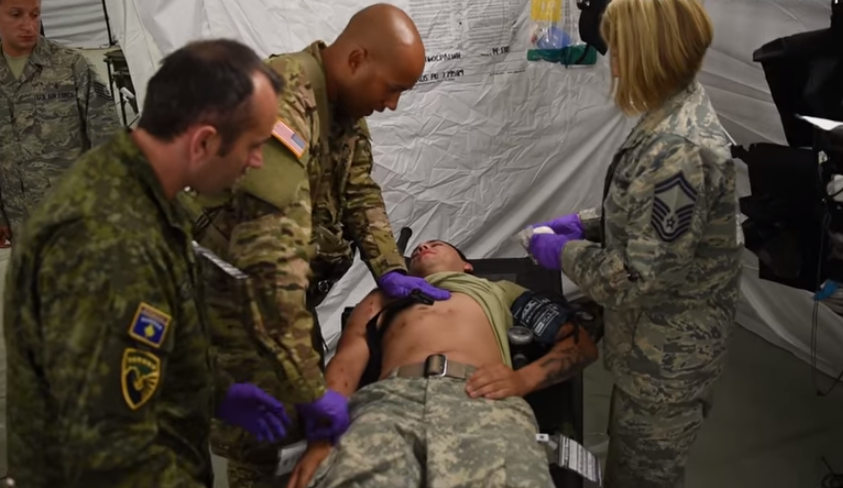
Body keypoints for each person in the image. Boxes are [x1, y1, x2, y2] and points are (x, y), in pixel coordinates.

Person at [4, 39, 294, 488]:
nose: (257, 161)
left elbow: (145, 350)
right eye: (253, 145)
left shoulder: (144, 188)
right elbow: (108, 451)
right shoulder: (106, 241)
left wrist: (215, 392)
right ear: (204, 141)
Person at [185, 4, 451, 486]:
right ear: (357, 59)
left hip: (280, 298)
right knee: (254, 438)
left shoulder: (345, 111)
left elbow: (358, 191)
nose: (393, 104)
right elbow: (272, 257)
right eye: (392, 88)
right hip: (232, 300)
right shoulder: (277, 100)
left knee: (287, 426)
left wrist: (390, 268)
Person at [526, 0, 742, 486]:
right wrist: (587, 224)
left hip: (666, 363)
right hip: (651, 349)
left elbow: (637, 278)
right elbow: (649, 216)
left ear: (651, 51)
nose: (614, 62)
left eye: (620, 48)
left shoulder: (678, 148)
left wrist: (564, 252)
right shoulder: (673, 112)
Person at [287, 239, 599, 488]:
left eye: (436, 244)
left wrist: (523, 380)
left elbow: (580, 345)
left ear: (467, 265)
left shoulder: (501, 290)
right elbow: (346, 361)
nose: (423, 246)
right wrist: (321, 440)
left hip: (483, 401)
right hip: (386, 404)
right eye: (418, 248)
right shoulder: (384, 296)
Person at [0, 0, 121, 243]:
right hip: (20, 224)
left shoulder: (71, 66)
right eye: (16, 14)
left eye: (35, 15)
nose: (28, 25)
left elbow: (108, 139)